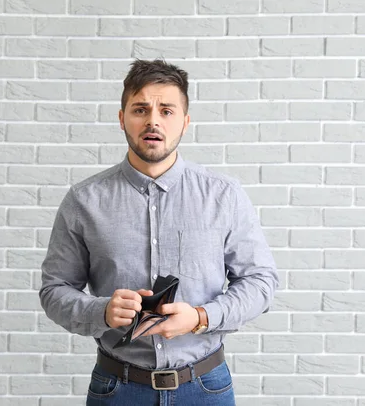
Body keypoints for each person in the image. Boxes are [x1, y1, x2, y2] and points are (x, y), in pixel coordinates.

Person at [40, 59, 278, 406]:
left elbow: (261, 281)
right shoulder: (83, 200)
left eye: (167, 110)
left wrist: (200, 317)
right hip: (117, 389)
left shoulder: (224, 195)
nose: (153, 120)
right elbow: (54, 290)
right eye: (140, 109)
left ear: (185, 121)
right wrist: (101, 312)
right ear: (122, 118)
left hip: (205, 388)